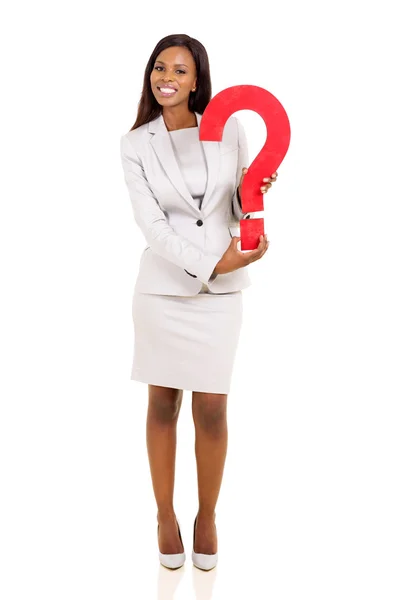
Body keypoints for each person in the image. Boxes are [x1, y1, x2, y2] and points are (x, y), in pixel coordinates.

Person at [120, 33, 277, 571]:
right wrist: (214, 263)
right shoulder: (136, 143)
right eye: (159, 67)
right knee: (162, 404)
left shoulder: (226, 126)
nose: (166, 77)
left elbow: (231, 206)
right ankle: (165, 515)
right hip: (164, 289)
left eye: (180, 71)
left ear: (197, 79)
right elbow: (154, 226)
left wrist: (255, 190)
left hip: (222, 295)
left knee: (212, 408)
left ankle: (206, 515)